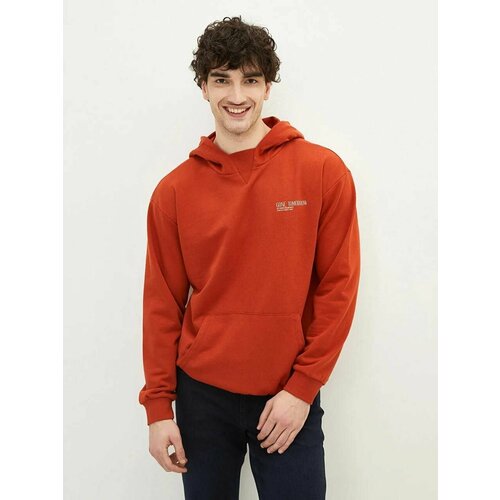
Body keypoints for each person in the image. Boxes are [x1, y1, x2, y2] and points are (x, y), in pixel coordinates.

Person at [138, 15, 361, 500]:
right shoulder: (173, 192)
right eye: (222, 80)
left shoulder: (322, 172)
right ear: (203, 87)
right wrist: (158, 408)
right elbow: (161, 304)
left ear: (267, 87)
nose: (236, 95)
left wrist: (302, 388)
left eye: (250, 80)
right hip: (202, 397)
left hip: (287, 394)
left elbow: (338, 288)